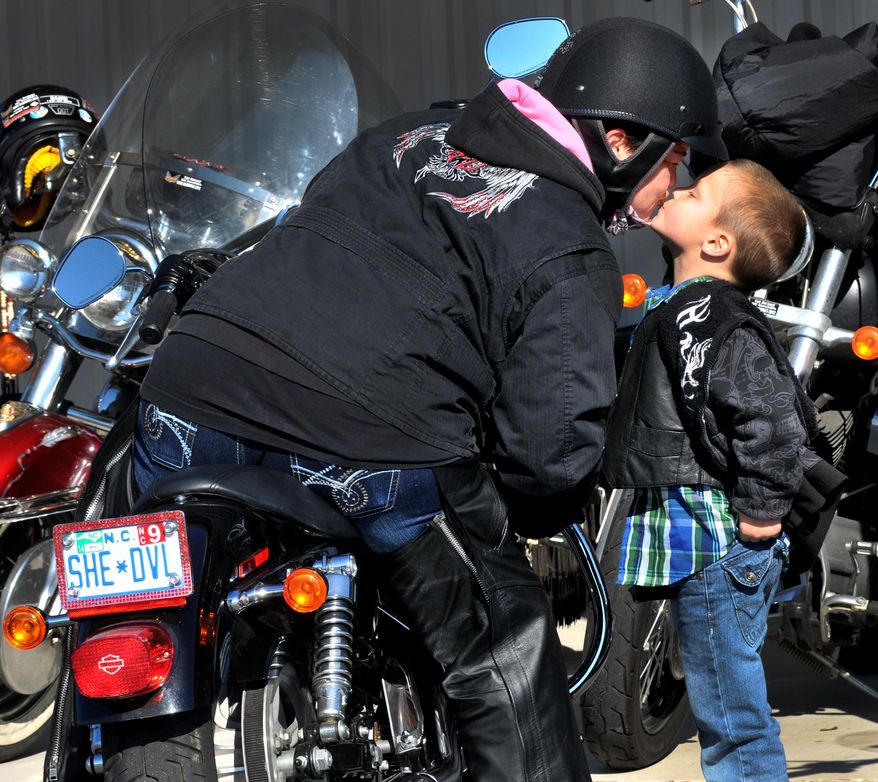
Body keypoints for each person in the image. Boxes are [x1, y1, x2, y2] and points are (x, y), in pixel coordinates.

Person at [133, 18, 726, 782]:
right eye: (674, 161)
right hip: (367, 437)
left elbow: (312, 226)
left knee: (140, 607)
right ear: (621, 142)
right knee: (505, 642)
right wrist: (530, 515)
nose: (674, 186)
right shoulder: (570, 248)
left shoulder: (408, 134)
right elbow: (551, 455)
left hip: (185, 393)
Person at [602, 158, 814, 782]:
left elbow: (774, 421)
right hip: (699, 540)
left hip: (720, 544)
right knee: (721, 704)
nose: (677, 188)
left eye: (694, 193)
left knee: (732, 717)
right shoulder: (680, 306)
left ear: (717, 243)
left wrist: (761, 514)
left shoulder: (718, 319)